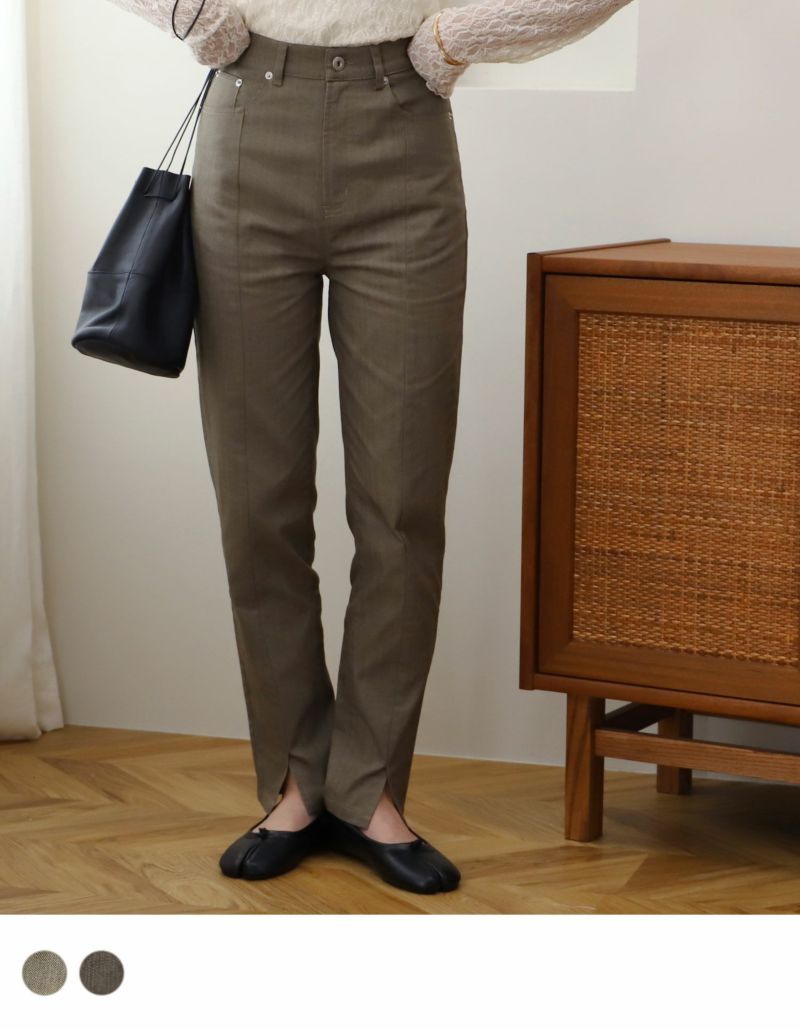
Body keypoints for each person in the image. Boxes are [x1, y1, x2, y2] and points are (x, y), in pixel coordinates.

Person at [105, 0, 635, 895]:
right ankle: (294, 782)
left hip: (405, 136)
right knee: (256, 502)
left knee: (401, 503)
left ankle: (370, 789)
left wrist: (458, 38)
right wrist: (191, 12)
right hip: (250, 121)